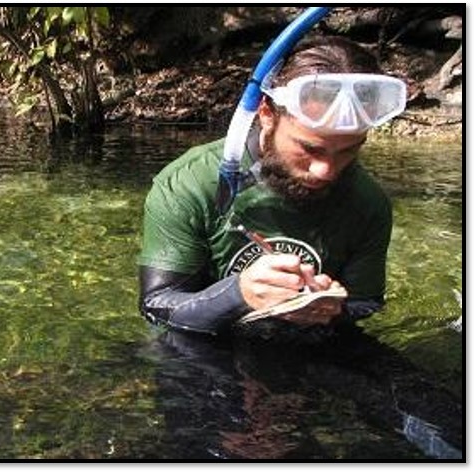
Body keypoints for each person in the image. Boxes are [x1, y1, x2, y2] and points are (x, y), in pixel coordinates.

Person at [138, 36, 408, 337]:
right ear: (266, 114)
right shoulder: (190, 185)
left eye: (348, 150)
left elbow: (366, 304)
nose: (326, 171)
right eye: (310, 149)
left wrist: (332, 309)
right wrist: (237, 295)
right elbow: (156, 306)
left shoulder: (368, 202)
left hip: (315, 345)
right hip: (203, 347)